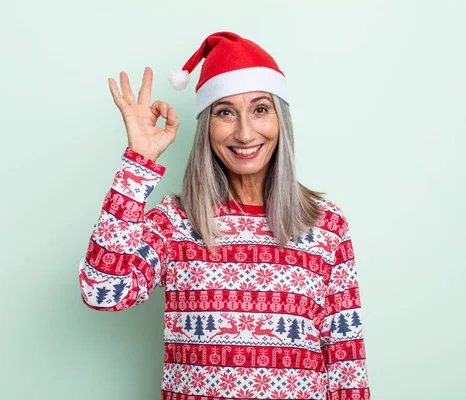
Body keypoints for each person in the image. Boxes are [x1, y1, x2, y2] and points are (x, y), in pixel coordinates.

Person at [78, 31, 370, 400]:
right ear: (207, 126)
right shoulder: (175, 222)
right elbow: (101, 291)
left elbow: (346, 366)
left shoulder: (326, 226)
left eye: (260, 109)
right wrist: (139, 163)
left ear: (280, 120)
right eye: (226, 112)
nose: (245, 132)